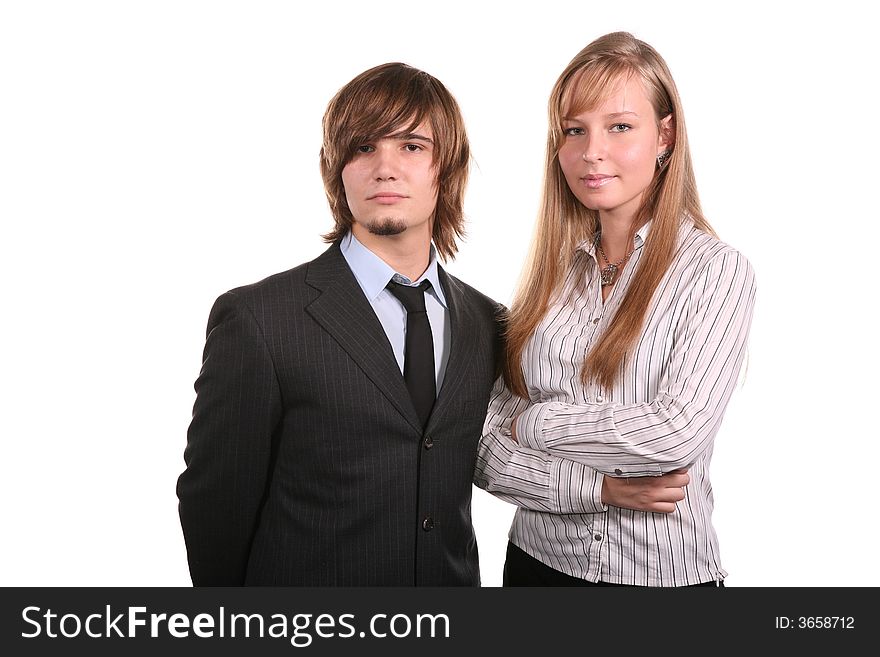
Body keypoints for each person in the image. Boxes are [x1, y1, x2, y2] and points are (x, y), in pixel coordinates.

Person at [176, 62, 505, 586]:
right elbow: (215, 505)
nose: (385, 167)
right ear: (337, 169)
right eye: (363, 147)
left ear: (447, 168)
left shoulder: (490, 324)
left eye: (412, 146)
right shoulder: (261, 320)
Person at [474, 32, 756, 587]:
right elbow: (483, 448)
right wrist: (600, 487)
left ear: (665, 135)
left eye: (619, 127)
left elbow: (674, 435)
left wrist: (535, 421)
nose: (591, 152)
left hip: (659, 582)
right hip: (535, 567)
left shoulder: (716, 271)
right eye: (574, 131)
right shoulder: (549, 277)